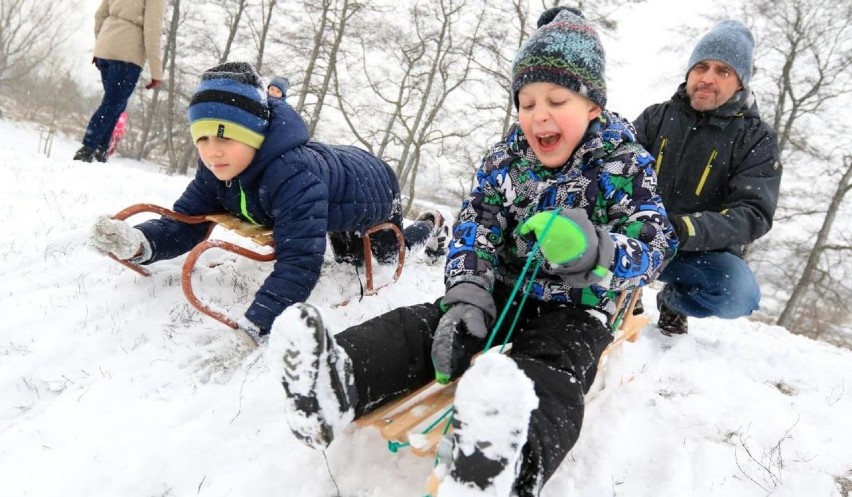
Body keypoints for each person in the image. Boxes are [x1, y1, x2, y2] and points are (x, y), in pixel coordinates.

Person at [268, 8, 676, 497]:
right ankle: (336, 381)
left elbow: (657, 241)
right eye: (525, 102)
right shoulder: (504, 160)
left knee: (552, 371)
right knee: (426, 327)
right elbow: (475, 226)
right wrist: (467, 292)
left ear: (592, 106)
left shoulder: (625, 163)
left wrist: (600, 249)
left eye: (556, 99)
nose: (538, 114)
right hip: (501, 290)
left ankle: (509, 463)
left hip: (578, 307)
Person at [86, 62, 448, 343]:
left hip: (374, 189)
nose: (212, 152)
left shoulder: (293, 175)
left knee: (380, 257)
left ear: (255, 135)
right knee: (344, 253)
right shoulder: (217, 169)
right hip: (332, 189)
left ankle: (429, 226)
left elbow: (299, 263)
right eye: (203, 138)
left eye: (226, 137)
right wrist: (138, 242)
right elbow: (186, 222)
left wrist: (257, 324)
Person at [633, 20, 781, 335]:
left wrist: (686, 229)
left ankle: (673, 301)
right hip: (637, 236)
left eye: (723, 71)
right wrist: (637, 222)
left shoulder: (756, 139)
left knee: (738, 293)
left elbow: (753, 213)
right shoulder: (655, 117)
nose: (708, 78)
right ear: (689, 72)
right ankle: (621, 287)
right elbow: (617, 172)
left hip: (694, 251)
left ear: (740, 83)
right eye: (701, 67)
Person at [73, 0, 166, 163]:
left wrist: (101, 45)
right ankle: (87, 148)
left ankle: (101, 150)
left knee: (116, 103)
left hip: (106, 48)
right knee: (112, 103)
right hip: (127, 53)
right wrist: (156, 71)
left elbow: (100, 15)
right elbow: (152, 30)